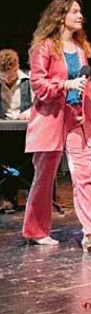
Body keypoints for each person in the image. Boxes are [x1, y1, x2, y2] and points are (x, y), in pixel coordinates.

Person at [22, 0, 91, 251]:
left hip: (78, 119)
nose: (80, 16)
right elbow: (38, 85)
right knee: (44, 178)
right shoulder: (44, 47)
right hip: (52, 120)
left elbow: (84, 84)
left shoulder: (80, 48)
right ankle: (35, 230)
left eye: (80, 11)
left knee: (85, 175)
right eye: (74, 11)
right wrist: (65, 85)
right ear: (60, 16)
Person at [0, 49, 34, 211]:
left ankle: (30, 193)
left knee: (31, 156)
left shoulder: (30, 79)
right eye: (3, 76)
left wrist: (31, 111)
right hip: (3, 132)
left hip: (27, 131)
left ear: (17, 67)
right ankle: (6, 195)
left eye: (11, 75)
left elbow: (42, 103)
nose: (7, 79)